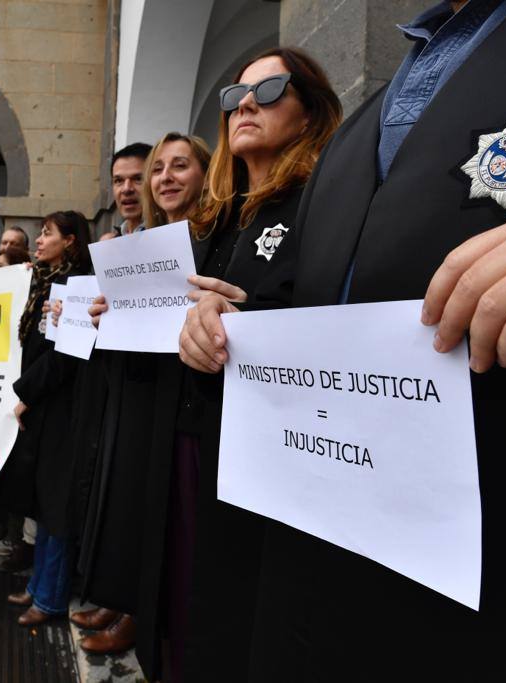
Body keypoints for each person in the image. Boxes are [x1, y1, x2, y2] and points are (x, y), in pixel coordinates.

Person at [182, 2, 506, 678]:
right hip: (325, 565)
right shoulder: (365, 123)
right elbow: (307, 306)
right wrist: (220, 328)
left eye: (269, 92)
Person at [135, 50, 340, 681]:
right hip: (192, 435)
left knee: (234, 614)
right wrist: (120, 314)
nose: (243, 104)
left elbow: (340, 315)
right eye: (233, 95)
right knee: (181, 593)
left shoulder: (325, 204)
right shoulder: (213, 217)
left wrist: (248, 324)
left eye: (269, 89)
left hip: (268, 456)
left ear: (309, 113)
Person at [66, 141, 160, 656]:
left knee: (138, 500)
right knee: (112, 491)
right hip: (114, 379)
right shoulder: (117, 242)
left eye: (135, 178)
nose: (127, 188)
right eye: (119, 180)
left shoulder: (167, 238)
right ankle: (115, 595)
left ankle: (135, 612)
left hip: (152, 386)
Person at [1, 210, 92, 626]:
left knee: (57, 506)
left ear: (70, 240)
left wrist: (25, 396)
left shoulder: (77, 286)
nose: (39, 241)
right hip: (45, 406)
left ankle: (51, 598)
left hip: (62, 408)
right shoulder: (46, 280)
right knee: (43, 502)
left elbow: (65, 356)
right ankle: (40, 587)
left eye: (48, 233)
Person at [110, 142, 152, 235]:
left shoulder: (175, 237)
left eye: (138, 179)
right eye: (119, 180)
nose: (126, 189)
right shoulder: (111, 243)